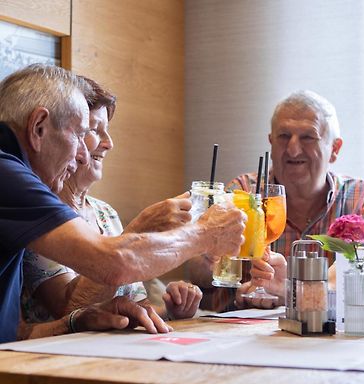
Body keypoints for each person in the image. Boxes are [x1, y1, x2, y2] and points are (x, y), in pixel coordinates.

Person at [0, 63, 245, 344]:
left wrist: (78, 321)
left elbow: (14, 332)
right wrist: (206, 234)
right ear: (38, 127)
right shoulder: (7, 174)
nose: (83, 153)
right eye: (81, 134)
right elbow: (114, 262)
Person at [21, 76, 202, 325]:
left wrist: (172, 311)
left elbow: (135, 309)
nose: (109, 143)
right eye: (94, 130)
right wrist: (140, 230)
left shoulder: (105, 213)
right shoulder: (38, 212)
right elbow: (69, 310)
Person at [189, 90, 364, 311]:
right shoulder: (243, 193)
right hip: (246, 332)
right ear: (271, 142)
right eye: (283, 136)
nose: (293, 148)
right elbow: (196, 266)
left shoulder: (359, 198)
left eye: (308, 137)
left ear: (335, 149)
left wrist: (290, 291)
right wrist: (216, 263)